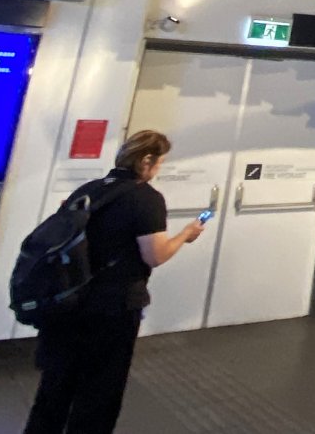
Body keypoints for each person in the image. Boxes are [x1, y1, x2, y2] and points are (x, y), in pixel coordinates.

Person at [23, 130, 204, 434]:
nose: (159, 169)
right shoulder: (146, 198)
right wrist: (186, 235)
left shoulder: (89, 189)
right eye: (160, 162)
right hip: (113, 307)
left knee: (55, 386)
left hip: (67, 302)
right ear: (147, 160)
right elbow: (155, 256)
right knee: (100, 389)